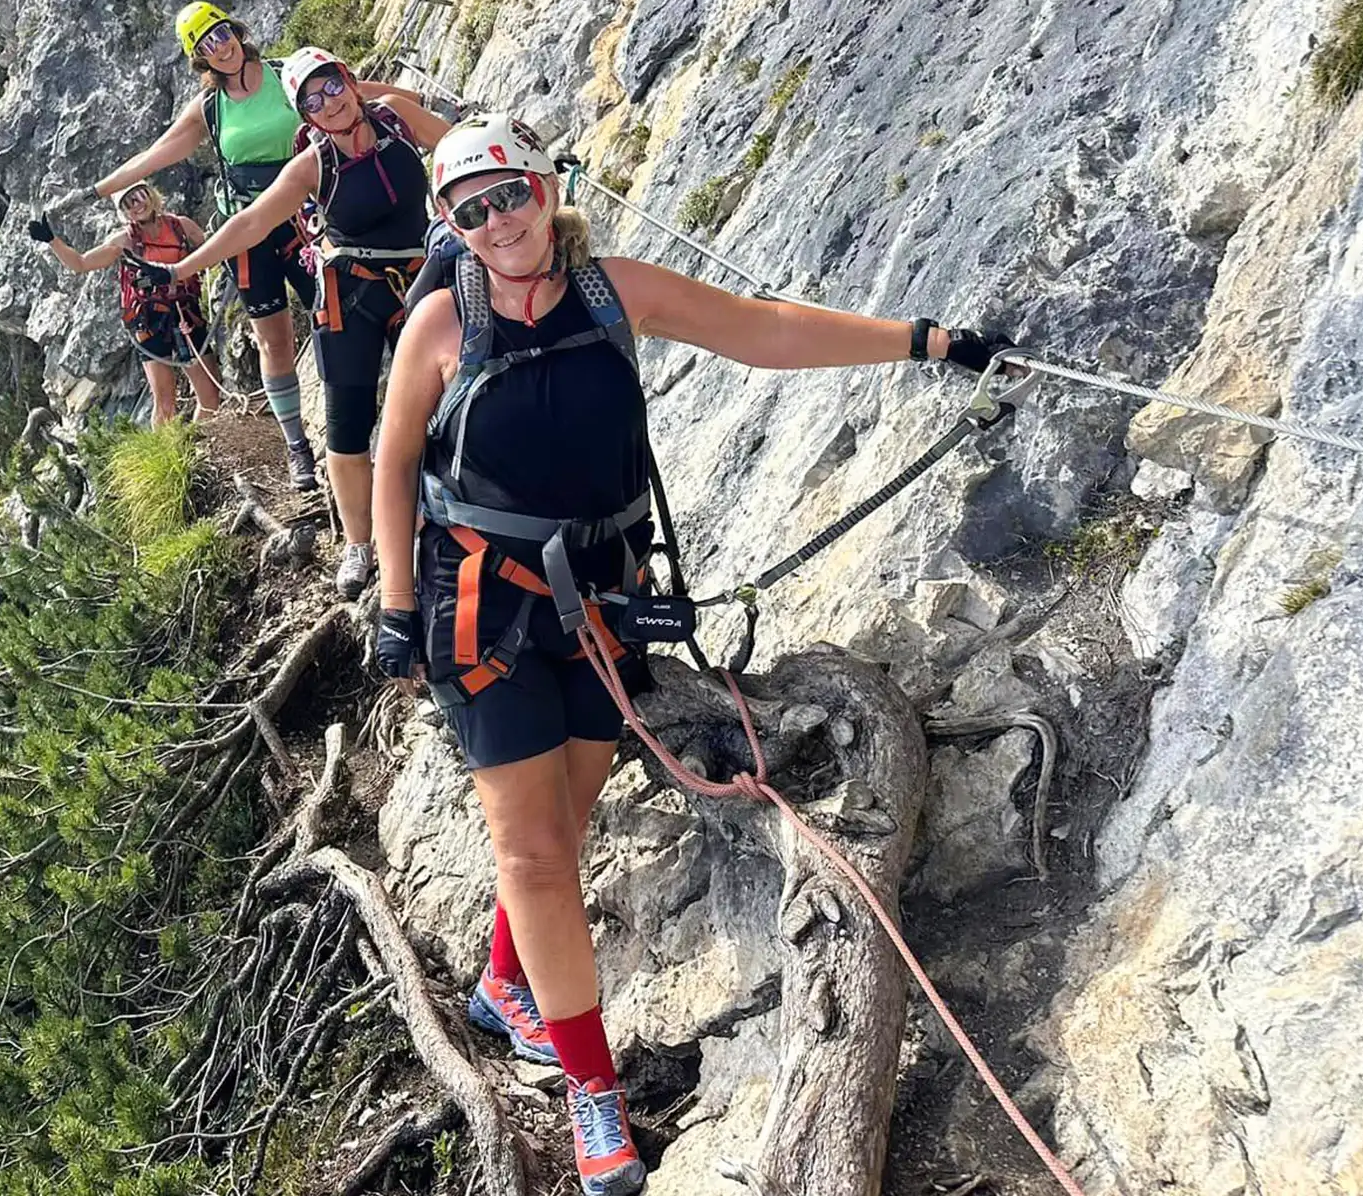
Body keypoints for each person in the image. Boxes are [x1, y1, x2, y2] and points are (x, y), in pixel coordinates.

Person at [367, 114, 1015, 1195]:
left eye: (510, 195)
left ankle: (500, 982)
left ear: (545, 186)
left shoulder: (617, 290)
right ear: (451, 223)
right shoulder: (441, 322)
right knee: (531, 852)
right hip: (478, 609)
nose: (497, 222)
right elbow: (392, 463)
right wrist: (394, 605)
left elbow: (764, 331)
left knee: (564, 825)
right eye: (470, 210)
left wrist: (926, 341)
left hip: (600, 604)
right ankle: (594, 1094)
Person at [148, 47, 452, 597]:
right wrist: (185, 267)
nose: (328, 103)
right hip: (352, 294)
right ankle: (361, 544)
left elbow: (454, 145)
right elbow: (252, 221)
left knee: (450, 396)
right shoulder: (313, 165)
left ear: (349, 80)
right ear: (304, 114)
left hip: (419, 279)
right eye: (311, 99)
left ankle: (453, 504)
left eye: (332, 86)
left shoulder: (395, 118)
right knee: (346, 425)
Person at [92, 3, 417, 493]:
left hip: (307, 218)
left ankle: (361, 429)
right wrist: (101, 189)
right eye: (206, 45)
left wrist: (419, 104)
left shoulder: (288, 76)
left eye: (222, 33)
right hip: (249, 232)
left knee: (340, 319)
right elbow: (158, 152)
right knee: (273, 339)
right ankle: (296, 448)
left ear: (236, 31)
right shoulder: (209, 109)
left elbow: (360, 96)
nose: (220, 46)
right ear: (199, 59)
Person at [29, 182, 224, 425]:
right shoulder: (124, 241)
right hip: (149, 322)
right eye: (128, 203)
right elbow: (81, 264)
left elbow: (212, 249)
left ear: (150, 194)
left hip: (185, 314)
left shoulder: (181, 226)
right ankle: (170, 456)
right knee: (165, 401)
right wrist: (52, 241)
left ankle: (200, 442)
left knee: (209, 394)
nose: (137, 205)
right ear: (123, 212)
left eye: (139, 196)